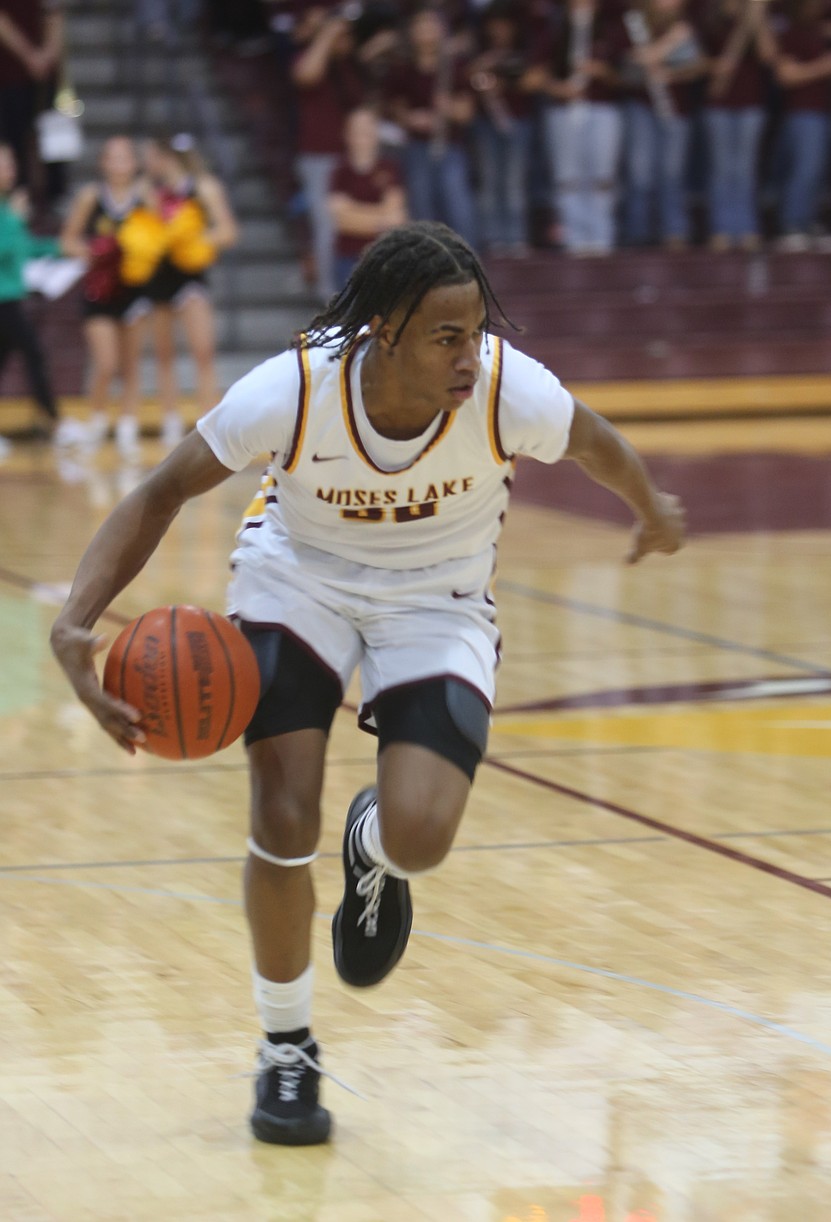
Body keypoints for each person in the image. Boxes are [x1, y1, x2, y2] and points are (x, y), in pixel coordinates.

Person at [49, 220, 686, 1147]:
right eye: (446, 337)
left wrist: (651, 507)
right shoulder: (297, 389)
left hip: (440, 601)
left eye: (475, 333)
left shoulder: (509, 391)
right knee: (280, 817)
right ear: (383, 331)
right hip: (297, 582)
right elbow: (160, 490)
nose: (471, 357)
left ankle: (374, 848)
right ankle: (286, 1048)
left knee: (421, 837)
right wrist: (74, 623)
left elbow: (596, 443)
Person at [58, 136, 158, 454]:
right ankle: (97, 422)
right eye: (112, 158)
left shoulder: (145, 197)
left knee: (131, 364)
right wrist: (95, 252)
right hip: (99, 291)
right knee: (105, 363)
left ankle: (128, 426)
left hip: (134, 291)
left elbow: (161, 238)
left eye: (125, 158)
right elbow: (68, 241)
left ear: (134, 163)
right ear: (103, 163)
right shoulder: (91, 197)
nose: (119, 165)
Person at [142, 134, 240, 448]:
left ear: (166, 156)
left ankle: (209, 421)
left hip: (191, 276)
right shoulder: (149, 191)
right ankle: (170, 420)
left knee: (202, 351)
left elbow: (228, 231)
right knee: (164, 354)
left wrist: (198, 241)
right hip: (159, 275)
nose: (148, 162)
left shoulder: (203, 187)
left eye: (152, 155)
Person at [291, 6, 370, 300]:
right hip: (319, 156)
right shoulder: (307, 56)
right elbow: (306, 75)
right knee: (327, 227)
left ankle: (356, 292)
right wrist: (326, 33)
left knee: (351, 225)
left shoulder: (348, 66)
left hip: (351, 155)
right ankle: (328, 295)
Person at [384, 9, 478, 246]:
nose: (426, 32)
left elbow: (466, 112)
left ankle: (467, 263)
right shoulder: (403, 68)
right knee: (421, 208)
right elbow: (395, 108)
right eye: (421, 26)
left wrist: (446, 110)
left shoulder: (455, 67)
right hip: (416, 147)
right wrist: (412, 118)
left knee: (459, 208)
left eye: (431, 26)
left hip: (450, 144)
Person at [0, 142, 71, 454]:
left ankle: (54, 421)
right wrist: (15, 219)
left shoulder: (7, 207)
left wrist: (61, 248)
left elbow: (23, 247)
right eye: (2, 165)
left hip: (10, 300)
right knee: (34, 353)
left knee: (22, 357)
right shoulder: (10, 212)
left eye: (11, 164)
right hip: (3, 302)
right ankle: (55, 421)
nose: (9, 171)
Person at [617, 0, 706, 250]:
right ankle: (637, 233)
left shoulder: (686, 27)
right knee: (640, 172)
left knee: (672, 172)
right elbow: (627, 67)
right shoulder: (634, 23)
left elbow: (698, 66)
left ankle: (674, 231)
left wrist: (670, 73)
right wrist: (668, 45)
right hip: (641, 105)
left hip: (676, 106)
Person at [541, 0, 624, 255]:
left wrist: (602, 71)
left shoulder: (611, 31)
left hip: (601, 109)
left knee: (602, 177)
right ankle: (575, 240)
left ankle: (601, 239)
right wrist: (558, 88)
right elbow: (537, 73)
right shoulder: (554, 29)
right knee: (568, 178)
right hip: (563, 111)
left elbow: (625, 76)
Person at [468, 1, 544, 255]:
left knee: (514, 184)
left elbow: (533, 81)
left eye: (504, 25)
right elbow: (470, 79)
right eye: (494, 26)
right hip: (486, 122)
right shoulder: (480, 54)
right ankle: (494, 240)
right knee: (490, 182)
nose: (499, 31)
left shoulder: (523, 53)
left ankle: (516, 239)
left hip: (518, 120)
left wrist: (505, 85)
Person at [700, 0, 775, 252]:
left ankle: (747, 228)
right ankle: (721, 228)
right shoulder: (710, 15)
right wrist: (715, 66)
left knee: (745, 169)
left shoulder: (753, 16)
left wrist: (757, 18)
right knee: (722, 169)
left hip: (750, 102)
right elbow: (696, 58)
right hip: (718, 102)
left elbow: (768, 55)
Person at [773, 0, 831, 250]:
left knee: (816, 170)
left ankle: (807, 221)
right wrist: (826, 66)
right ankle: (792, 224)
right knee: (806, 169)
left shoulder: (821, 32)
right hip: (802, 112)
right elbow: (786, 76)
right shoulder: (792, 33)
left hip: (823, 111)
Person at [327, 107, 407, 291]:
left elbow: (396, 216)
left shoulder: (390, 168)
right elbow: (342, 220)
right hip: (348, 259)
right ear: (347, 135)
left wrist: (355, 211)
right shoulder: (340, 172)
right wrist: (380, 218)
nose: (363, 137)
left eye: (368, 130)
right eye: (358, 131)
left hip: (383, 258)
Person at [0, 0, 63, 193]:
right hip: (9, 76)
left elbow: (55, 13)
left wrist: (48, 54)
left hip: (46, 79)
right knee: (15, 139)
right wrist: (30, 55)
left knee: (53, 141)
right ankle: (17, 194)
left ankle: (53, 195)